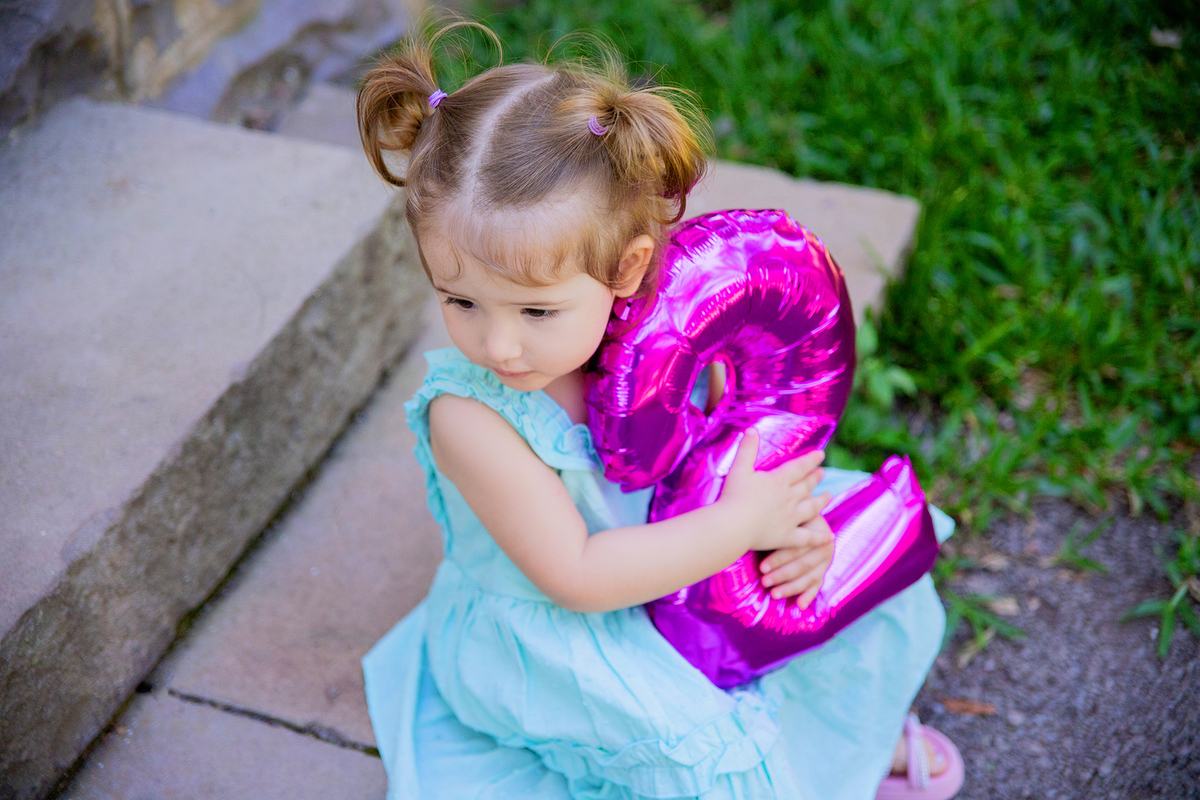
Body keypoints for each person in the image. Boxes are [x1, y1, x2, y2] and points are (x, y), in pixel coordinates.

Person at [358, 24, 963, 800]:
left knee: (844, 579)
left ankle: (839, 753)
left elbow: (719, 461)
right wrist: (742, 528)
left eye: (536, 311)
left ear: (626, 269)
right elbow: (577, 576)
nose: (498, 343)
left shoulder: (661, 340)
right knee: (702, 753)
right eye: (461, 301)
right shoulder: (470, 419)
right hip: (561, 634)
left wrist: (787, 529)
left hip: (672, 563)